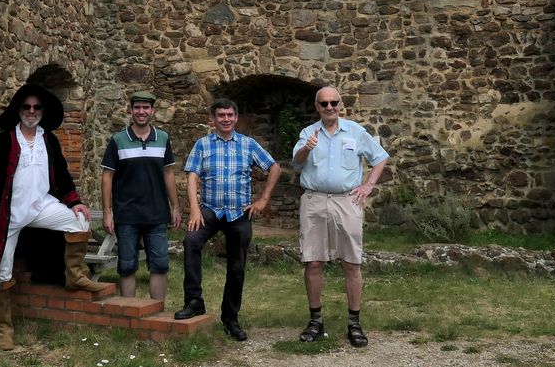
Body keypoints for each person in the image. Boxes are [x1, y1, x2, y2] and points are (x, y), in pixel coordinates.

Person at [0, 83, 109, 351]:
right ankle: (3, 329)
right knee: (2, 271)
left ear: (43, 110)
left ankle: (74, 274)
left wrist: (74, 201)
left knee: (80, 220)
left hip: (42, 206)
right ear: (19, 110)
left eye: (36, 107)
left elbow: (62, 174)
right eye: (27, 107)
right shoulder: (4, 141)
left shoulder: (48, 140)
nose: (31, 111)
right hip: (9, 215)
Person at [175, 98, 282, 341]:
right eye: (221, 115)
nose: (226, 119)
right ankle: (194, 301)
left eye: (230, 115)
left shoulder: (248, 144)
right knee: (191, 241)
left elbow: (274, 168)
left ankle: (230, 318)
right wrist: (194, 209)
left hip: (239, 213)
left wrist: (263, 200)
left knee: (236, 267)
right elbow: (192, 177)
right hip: (210, 211)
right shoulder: (203, 144)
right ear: (213, 119)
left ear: (236, 117)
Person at [292, 85, 389, 348]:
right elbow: (297, 163)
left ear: (340, 104)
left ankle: (354, 323)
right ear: (317, 107)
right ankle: (315, 321)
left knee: (351, 262)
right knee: (313, 262)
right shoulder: (308, 133)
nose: (329, 107)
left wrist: (368, 186)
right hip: (314, 201)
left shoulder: (355, 132)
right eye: (324, 103)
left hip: (347, 201)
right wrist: (306, 149)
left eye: (334, 102)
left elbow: (380, 158)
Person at [101, 91, 182, 300]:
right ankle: (129, 313)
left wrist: (175, 207)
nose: (141, 111)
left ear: (152, 111)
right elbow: (107, 176)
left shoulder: (163, 138)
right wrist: (107, 212)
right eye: (137, 107)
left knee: (160, 265)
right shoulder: (118, 140)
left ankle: (157, 312)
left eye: (146, 107)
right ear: (131, 110)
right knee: (127, 266)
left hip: (157, 213)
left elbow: (168, 173)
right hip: (127, 214)